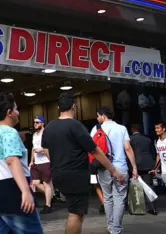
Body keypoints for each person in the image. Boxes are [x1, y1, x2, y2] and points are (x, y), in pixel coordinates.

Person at [42, 92, 124, 234]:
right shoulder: (75, 125)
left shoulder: (49, 127)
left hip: (57, 174)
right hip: (76, 175)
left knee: (73, 209)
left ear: (58, 107)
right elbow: (95, 151)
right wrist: (114, 171)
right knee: (76, 213)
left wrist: (57, 162)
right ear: (74, 106)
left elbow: (45, 149)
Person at [0, 92, 43, 234]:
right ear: (9, 112)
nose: (18, 112)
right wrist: (26, 191)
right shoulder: (9, 133)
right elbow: (12, 160)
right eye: (16, 109)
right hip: (11, 193)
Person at [90, 107, 138, 234]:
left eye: (98, 115)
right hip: (121, 167)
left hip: (103, 167)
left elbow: (92, 149)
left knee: (108, 198)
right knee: (119, 199)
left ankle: (111, 226)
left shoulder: (96, 129)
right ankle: (116, 229)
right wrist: (134, 167)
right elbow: (127, 148)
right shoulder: (122, 128)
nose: (97, 118)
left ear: (103, 116)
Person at [129, 124, 158, 215]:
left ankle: (138, 207)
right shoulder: (148, 139)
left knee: (135, 186)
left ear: (133, 129)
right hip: (148, 164)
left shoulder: (129, 139)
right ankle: (153, 208)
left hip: (134, 165)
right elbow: (153, 152)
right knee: (149, 185)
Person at [29, 116, 52, 214]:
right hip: (36, 162)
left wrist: (42, 149)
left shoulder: (46, 133)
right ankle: (50, 195)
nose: (35, 124)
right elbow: (33, 148)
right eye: (34, 122)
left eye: (37, 122)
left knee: (46, 184)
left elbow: (51, 146)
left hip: (45, 161)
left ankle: (48, 205)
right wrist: (31, 161)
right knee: (35, 183)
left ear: (42, 123)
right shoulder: (34, 134)